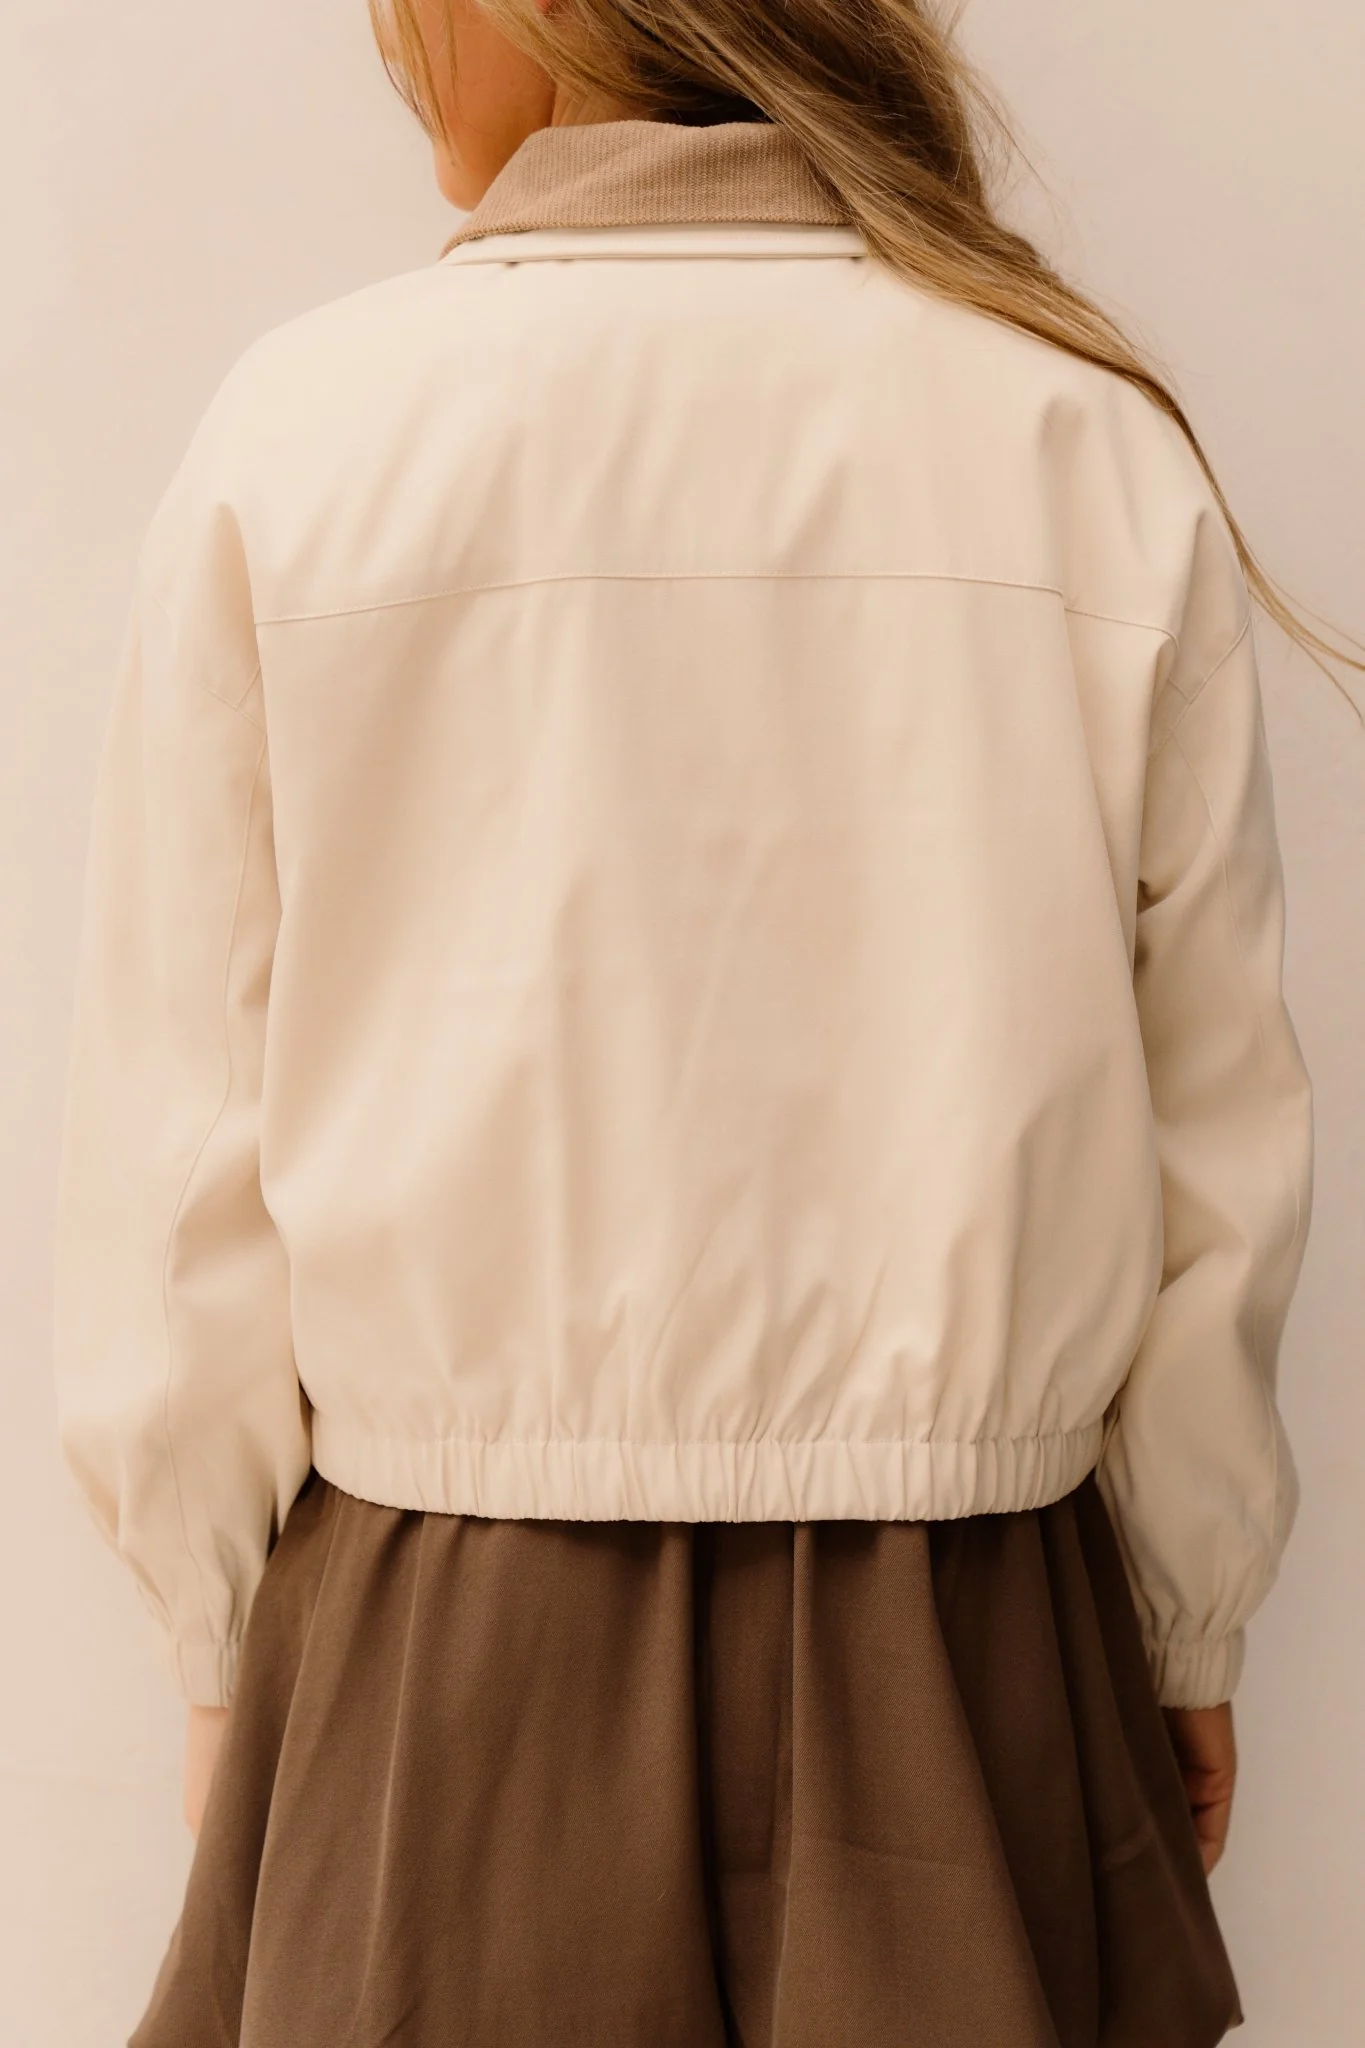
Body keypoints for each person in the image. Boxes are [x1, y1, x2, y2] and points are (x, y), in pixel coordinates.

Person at [50, 2, 1358, 2043]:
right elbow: (1219, 1143)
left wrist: (222, 1653)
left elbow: (181, 1152)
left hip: (443, 1650)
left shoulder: (303, 435)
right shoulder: (1075, 437)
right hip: (974, 1637)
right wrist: (1185, 1624)